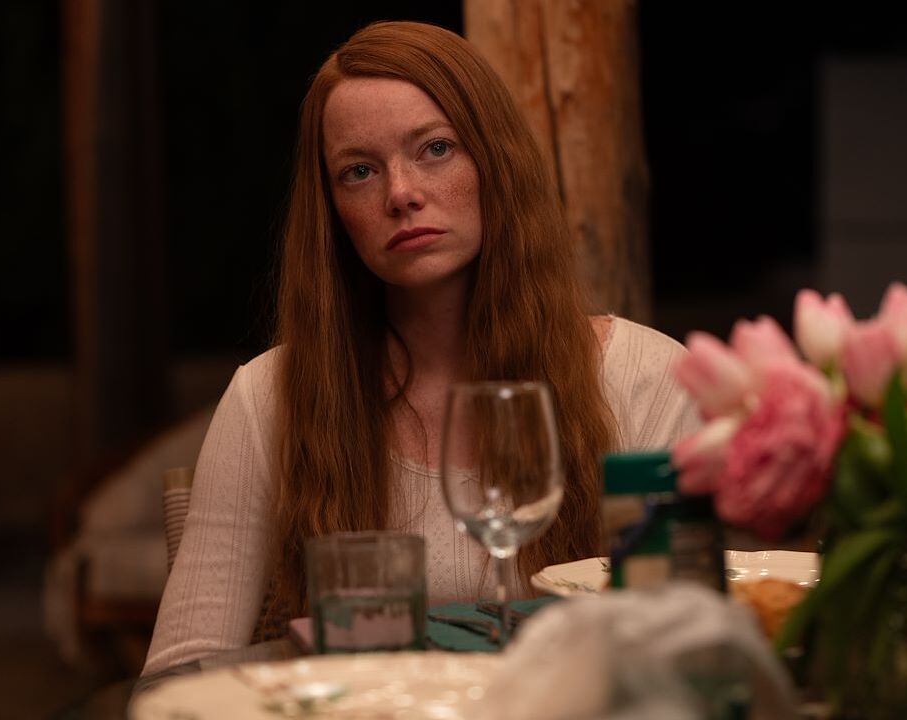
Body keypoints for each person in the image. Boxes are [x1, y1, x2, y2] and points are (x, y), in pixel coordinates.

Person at [143, 20, 698, 674]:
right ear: (332, 211)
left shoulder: (647, 378)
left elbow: (685, 653)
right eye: (359, 171)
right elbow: (179, 678)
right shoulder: (270, 395)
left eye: (435, 149)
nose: (401, 193)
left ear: (495, 161)